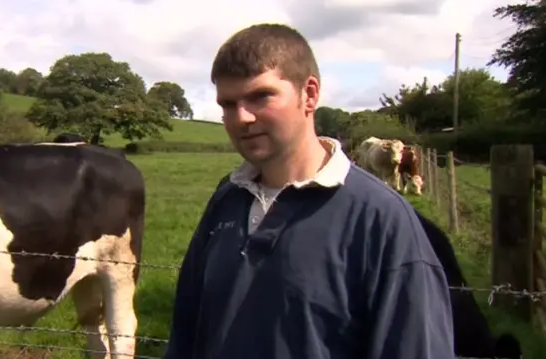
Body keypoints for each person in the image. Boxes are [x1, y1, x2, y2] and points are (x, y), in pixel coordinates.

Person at [163, 23, 455, 359]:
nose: (241, 117)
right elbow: (186, 330)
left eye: (260, 96)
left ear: (310, 94)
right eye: (228, 104)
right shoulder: (228, 198)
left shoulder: (382, 220)